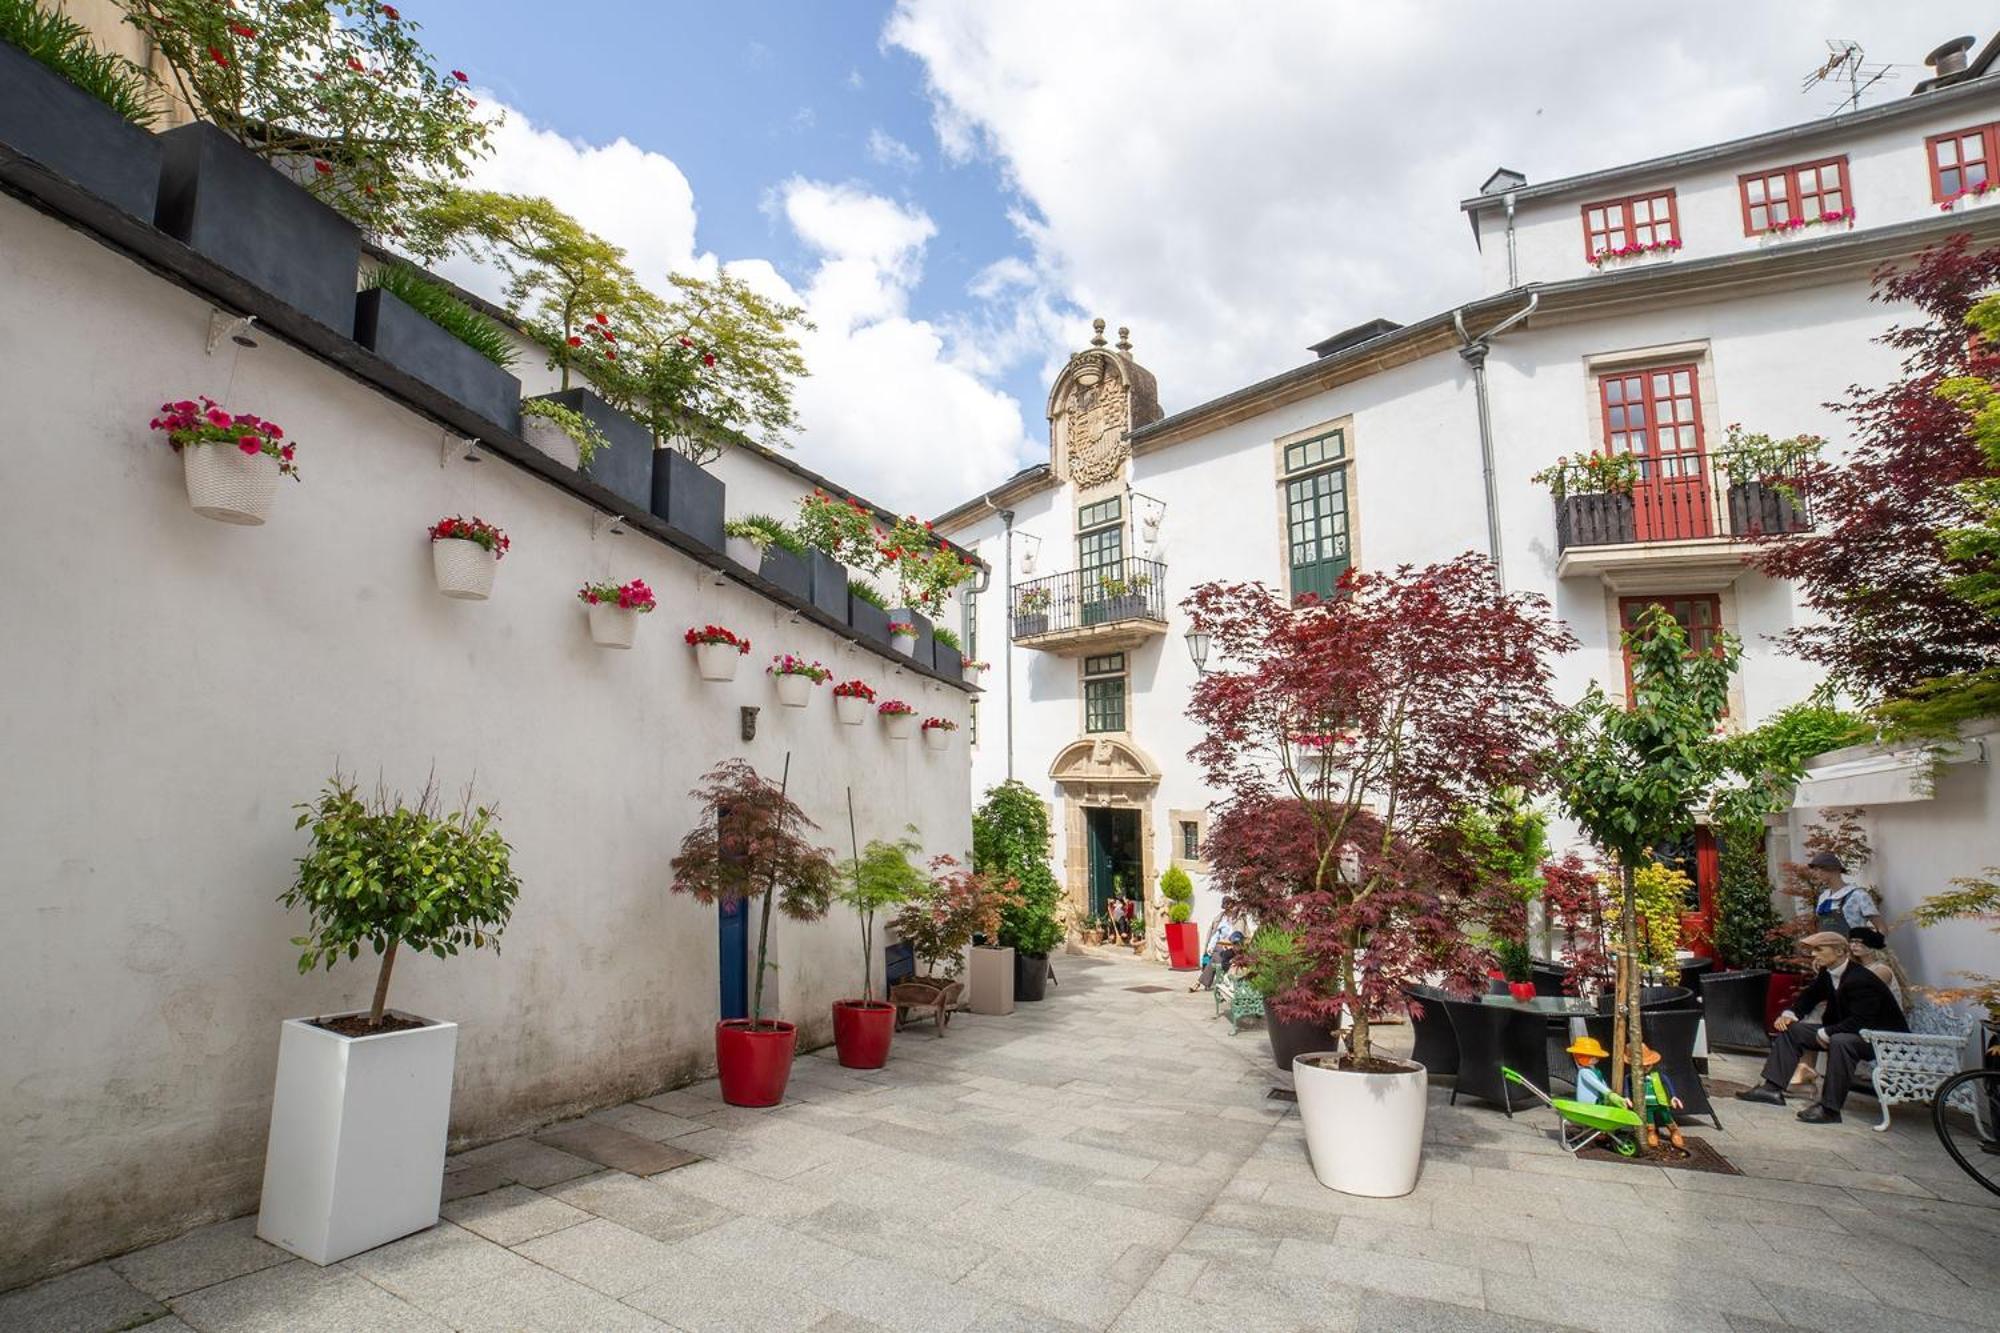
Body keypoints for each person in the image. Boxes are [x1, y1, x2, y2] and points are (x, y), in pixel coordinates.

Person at [1736, 931, 1909, 1123]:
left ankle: (1830, 1109)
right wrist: (1790, 1015)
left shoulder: (1861, 979)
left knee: (1840, 1041)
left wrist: (1827, 1031)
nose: (1813, 954)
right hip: (1854, 1032)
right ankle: (1771, 1089)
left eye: (1819, 949)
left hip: (1883, 1040)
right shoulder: (1829, 973)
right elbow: (1810, 997)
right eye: (1813, 950)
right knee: (1793, 1030)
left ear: (1840, 951)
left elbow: (1863, 1021)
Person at [1805, 852, 1880, 934]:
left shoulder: (1858, 895)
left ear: (1831, 868)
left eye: (1816, 869)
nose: (1814, 873)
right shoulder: (1823, 897)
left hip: (1852, 945)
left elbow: (1882, 928)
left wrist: (1867, 945)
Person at [1633, 1045, 1686, 1151]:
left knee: (1667, 1117)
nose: (1646, 1067)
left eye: (1648, 1065)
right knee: (1649, 1120)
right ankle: (1651, 1133)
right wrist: (1627, 1098)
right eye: (1643, 1065)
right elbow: (1626, 1087)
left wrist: (1673, 1096)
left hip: (1660, 1102)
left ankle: (1674, 1132)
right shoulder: (1632, 1076)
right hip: (1646, 1104)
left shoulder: (1658, 1075)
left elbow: (1668, 1085)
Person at [1567, 1037, 1625, 1108]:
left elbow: (1602, 1083)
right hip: (1588, 1103)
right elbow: (1595, 1083)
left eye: (1597, 1057)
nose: (1596, 1058)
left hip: (1597, 1100)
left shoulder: (1595, 1071)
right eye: (1592, 1056)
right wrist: (1609, 1093)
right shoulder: (1584, 1072)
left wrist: (1608, 1093)